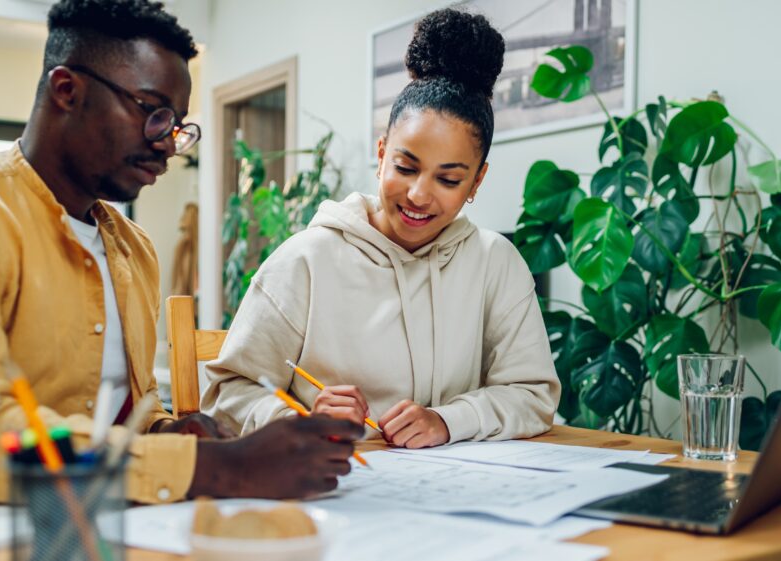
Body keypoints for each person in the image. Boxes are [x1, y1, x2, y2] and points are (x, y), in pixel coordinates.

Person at [0, 0, 361, 503]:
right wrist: (217, 468)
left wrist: (168, 432)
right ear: (67, 91)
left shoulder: (132, 249)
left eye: (177, 124)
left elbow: (129, 411)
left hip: (106, 525)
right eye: (152, 112)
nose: (166, 142)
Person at [202, 8, 560, 449]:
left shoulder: (494, 263)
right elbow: (224, 395)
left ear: (476, 181)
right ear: (381, 153)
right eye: (405, 167)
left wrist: (448, 421)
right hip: (337, 495)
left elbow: (533, 394)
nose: (418, 195)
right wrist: (298, 419)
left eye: (448, 179)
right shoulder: (306, 261)